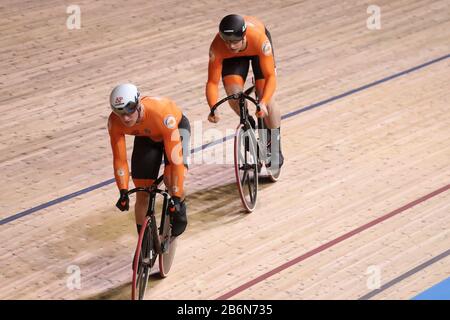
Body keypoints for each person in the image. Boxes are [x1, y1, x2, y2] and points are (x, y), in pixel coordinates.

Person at [108, 83, 190, 237]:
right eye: (119, 112)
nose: (125, 117)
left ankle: (181, 206)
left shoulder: (161, 114)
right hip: (147, 137)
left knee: (171, 182)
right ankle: (145, 245)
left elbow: (175, 161)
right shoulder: (114, 122)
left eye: (129, 110)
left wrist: (177, 197)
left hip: (175, 130)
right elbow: (120, 159)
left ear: (138, 104)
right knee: (142, 191)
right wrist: (123, 191)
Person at [206, 14, 284, 169]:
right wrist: (213, 108)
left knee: (266, 99)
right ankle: (248, 121)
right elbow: (212, 82)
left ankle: (275, 146)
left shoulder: (259, 40)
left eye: (235, 41)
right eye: (227, 41)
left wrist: (262, 102)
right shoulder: (218, 46)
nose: (231, 46)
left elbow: (270, 77)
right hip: (233, 59)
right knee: (233, 94)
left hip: (256, 51)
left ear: (243, 35)